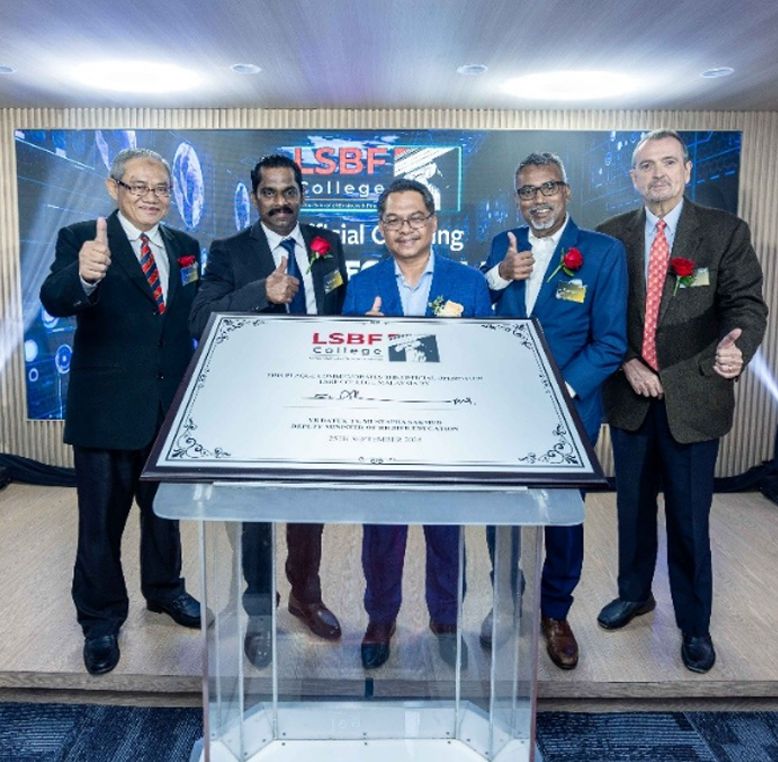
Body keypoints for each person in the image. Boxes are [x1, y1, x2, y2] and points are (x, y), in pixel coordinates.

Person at [596, 130, 767, 673]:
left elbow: (746, 308)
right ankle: (635, 593)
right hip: (630, 398)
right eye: (646, 166)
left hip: (694, 400)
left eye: (668, 162)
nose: (658, 174)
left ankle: (694, 625)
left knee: (690, 522)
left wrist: (735, 352)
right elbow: (600, 317)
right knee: (632, 510)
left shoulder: (723, 232)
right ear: (633, 177)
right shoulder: (610, 237)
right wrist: (626, 362)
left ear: (688, 170)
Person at [39, 148, 203, 675]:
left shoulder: (185, 246)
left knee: (163, 516)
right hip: (106, 411)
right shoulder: (84, 239)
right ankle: (101, 619)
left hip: (166, 408)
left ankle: (164, 591)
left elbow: (186, 319)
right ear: (115, 188)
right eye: (139, 187)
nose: (152, 197)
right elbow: (55, 298)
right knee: (100, 526)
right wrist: (84, 276)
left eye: (161, 189)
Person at [190, 154, 349, 667]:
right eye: (269, 193)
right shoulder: (230, 251)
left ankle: (306, 595)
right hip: (257, 406)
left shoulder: (328, 245)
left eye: (289, 192)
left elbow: (337, 311)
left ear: (302, 193)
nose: (281, 203)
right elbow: (201, 317)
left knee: (310, 509)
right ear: (255, 196)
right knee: (256, 514)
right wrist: (263, 292)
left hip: (319, 401)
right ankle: (259, 613)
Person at [481, 151, 628, 670]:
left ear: (566, 192)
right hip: (505, 410)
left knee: (563, 518)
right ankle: (505, 603)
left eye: (547, 189)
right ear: (517, 198)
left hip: (569, 407)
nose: (537, 200)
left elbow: (611, 343)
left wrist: (560, 387)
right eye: (527, 191)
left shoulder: (602, 252)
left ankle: (556, 614)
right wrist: (499, 274)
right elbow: (482, 310)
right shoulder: (504, 244)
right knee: (500, 513)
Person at [343, 178, 492, 670]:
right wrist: (362, 337)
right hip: (382, 431)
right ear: (380, 229)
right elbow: (346, 365)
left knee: (446, 531)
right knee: (382, 534)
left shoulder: (468, 282)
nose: (404, 229)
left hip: (447, 430)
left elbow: (480, 360)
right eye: (393, 220)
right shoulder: (362, 286)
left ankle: (446, 620)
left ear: (432, 223)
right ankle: (380, 618)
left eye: (414, 218)